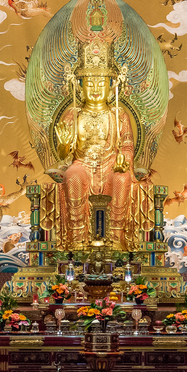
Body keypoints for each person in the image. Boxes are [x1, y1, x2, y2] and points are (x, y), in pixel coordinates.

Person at [55, 33, 136, 250]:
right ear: (79, 86)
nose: (96, 88)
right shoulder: (73, 114)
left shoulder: (119, 115)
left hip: (110, 164)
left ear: (112, 85)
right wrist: (64, 145)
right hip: (82, 164)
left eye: (101, 82)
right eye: (90, 83)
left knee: (120, 179)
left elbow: (127, 145)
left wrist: (123, 159)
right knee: (72, 176)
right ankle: (78, 236)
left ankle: (116, 236)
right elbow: (64, 156)